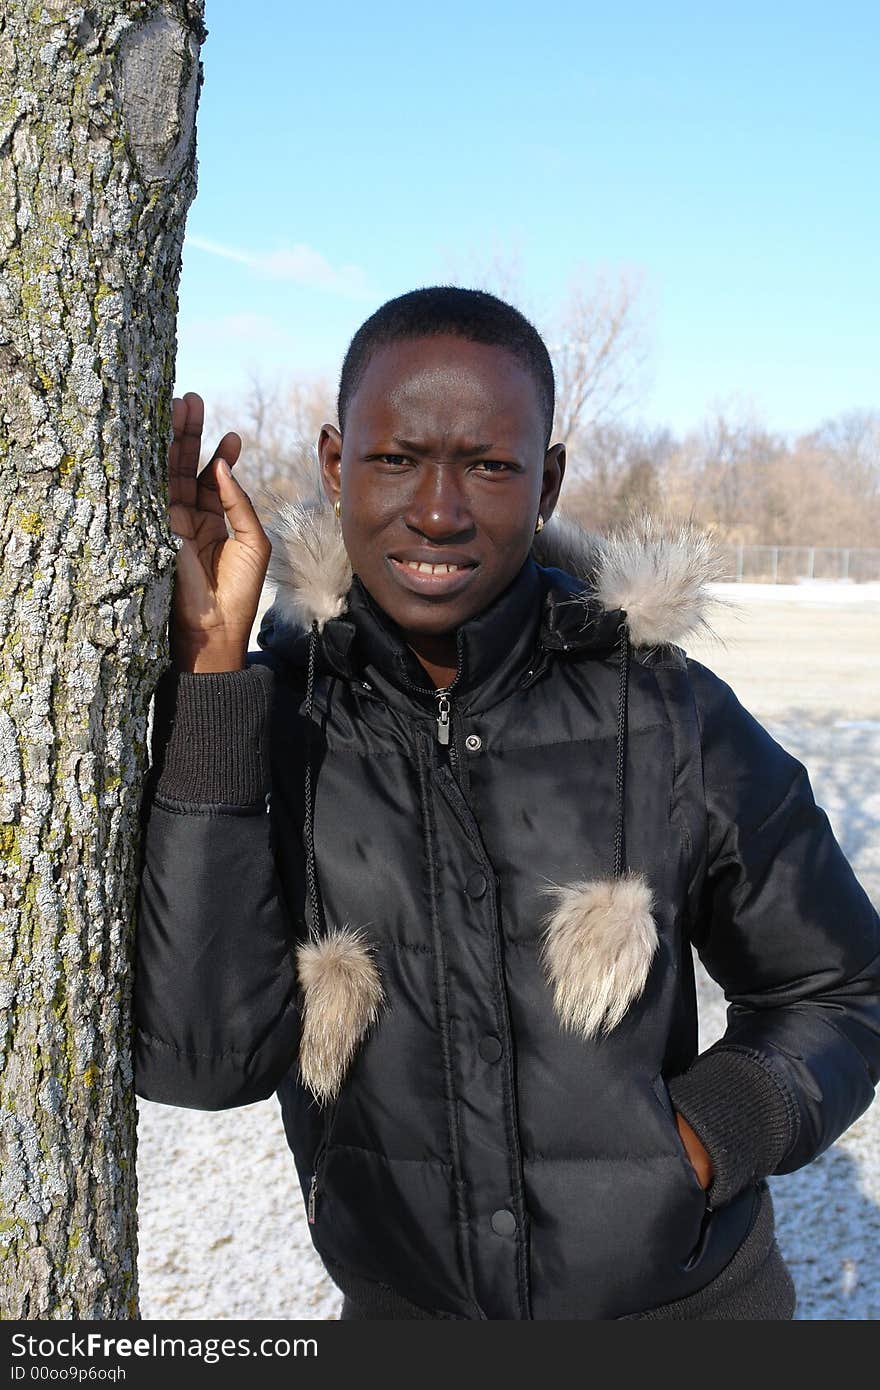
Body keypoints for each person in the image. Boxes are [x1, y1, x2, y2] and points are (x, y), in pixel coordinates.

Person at [134, 286, 880, 1320]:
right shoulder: (279, 722)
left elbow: (840, 988)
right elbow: (202, 1058)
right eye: (395, 459)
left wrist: (708, 1137)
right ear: (336, 464)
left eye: (488, 465)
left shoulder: (665, 712)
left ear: (548, 481)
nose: (438, 510)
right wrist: (213, 681)